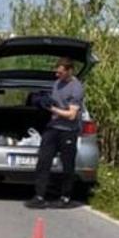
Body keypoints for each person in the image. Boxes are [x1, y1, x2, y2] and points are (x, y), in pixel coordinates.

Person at [25, 57, 85, 209]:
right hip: (53, 127)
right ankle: (39, 196)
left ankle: (66, 197)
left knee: (67, 165)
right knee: (43, 161)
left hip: (68, 131)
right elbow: (55, 101)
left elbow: (71, 115)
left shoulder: (76, 88)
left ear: (69, 71)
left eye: (60, 72)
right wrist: (43, 100)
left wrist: (51, 109)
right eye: (56, 72)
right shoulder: (57, 83)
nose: (57, 75)